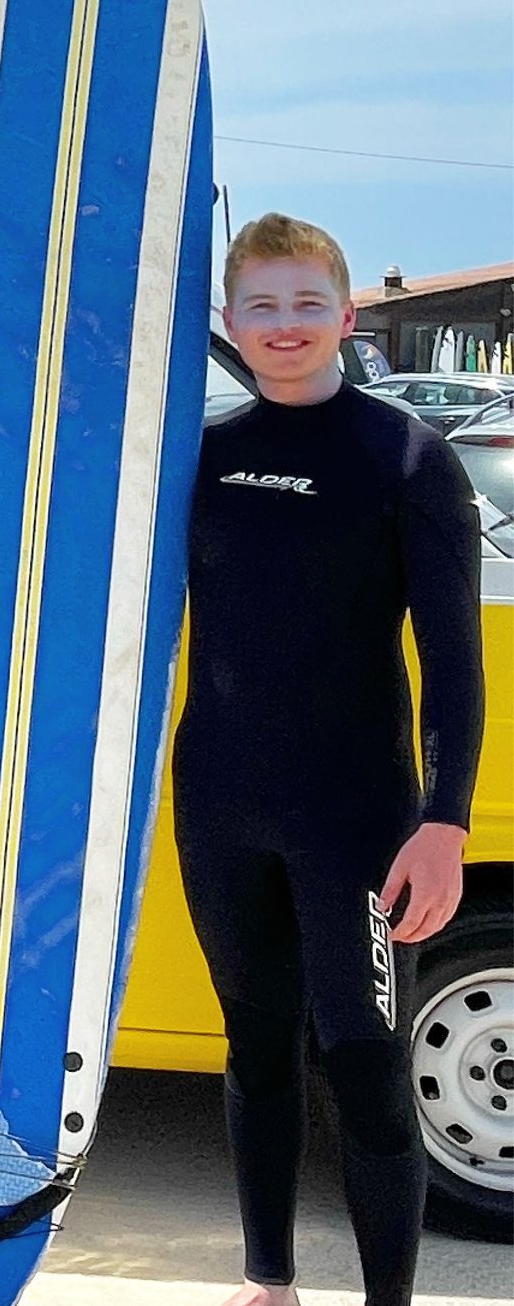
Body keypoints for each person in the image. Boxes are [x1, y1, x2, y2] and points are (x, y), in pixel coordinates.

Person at [177, 214, 484, 1306]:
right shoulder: (198, 454)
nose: (285, 325)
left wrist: (445, 820)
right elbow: (62, 561)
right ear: (229, 324)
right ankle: (270, 1283)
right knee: (254, 1045)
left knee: (361, 1062)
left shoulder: (407, 457)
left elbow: (452, 661)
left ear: (348, 318)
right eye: (261, 305)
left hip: (354, 812)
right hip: (217, 799)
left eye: (308, 303)